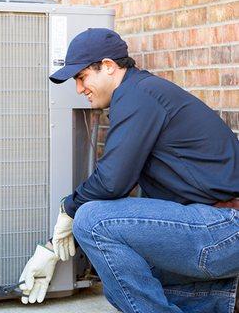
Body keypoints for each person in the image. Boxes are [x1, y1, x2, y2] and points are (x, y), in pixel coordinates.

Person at [18, 28, 238, 312]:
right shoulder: (141, 93)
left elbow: (111, 182)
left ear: (108, 66)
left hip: (225, 229)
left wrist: (67, 210)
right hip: (215, 228)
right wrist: (52, 246)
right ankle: (227, 298)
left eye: (82, 77)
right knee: (120, 278)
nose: (78, 89)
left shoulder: (138, 96)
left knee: (92, 220)